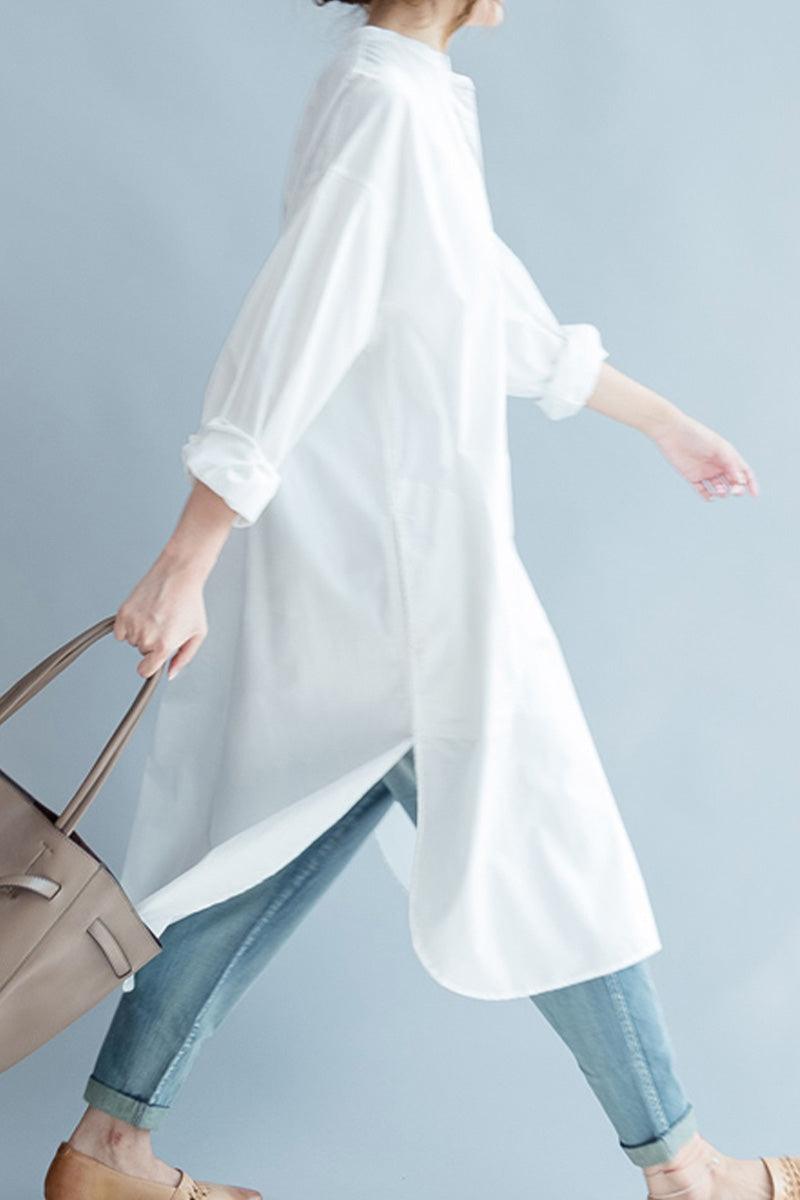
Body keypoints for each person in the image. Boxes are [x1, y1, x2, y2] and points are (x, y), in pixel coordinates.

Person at [42, 3, 787, 1199]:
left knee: (273, 847)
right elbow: (291, 331)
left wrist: (664, 423)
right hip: (397, 571)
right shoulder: (388, 104)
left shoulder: (405, 91)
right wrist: (187, 559)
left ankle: (108, 1150)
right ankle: (689, 1173)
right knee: (544, 841)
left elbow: (479, 311)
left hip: (387, 560)